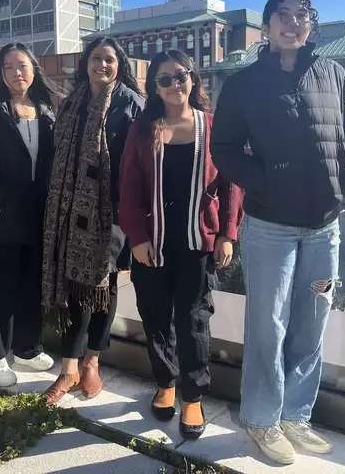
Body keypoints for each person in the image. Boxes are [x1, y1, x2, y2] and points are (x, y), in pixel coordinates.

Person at [211, 0, 345, 465]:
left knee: (312, 320)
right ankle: (261, 419)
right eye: (283, 16)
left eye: (302, 16)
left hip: (325, 228)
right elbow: (224, 147)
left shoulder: (333, 73)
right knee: (268, 323)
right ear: (267, 26)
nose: (293, 23)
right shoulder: (243, 84)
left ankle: (295, 415)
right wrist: (266, 181)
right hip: (269, 228)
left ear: (311, 26)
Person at [119, 50, 243, 439]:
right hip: (152, 244)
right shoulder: (144, 130)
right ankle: (166, 384)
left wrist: (227, 234)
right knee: (155, 316)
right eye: (165, 79)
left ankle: (192, 397)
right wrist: (136, 238)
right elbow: (129, 187)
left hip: (197, 241)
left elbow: (232, 184)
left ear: (193, 80)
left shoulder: (213, 127)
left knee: (193, 320)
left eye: (181, 76)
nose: (175, 84)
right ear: (153, 87)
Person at [41, 37, 144, 404]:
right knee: (77, 287)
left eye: (110, 60)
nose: (103, 65)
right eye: (97, 58)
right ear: (86, 63)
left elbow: (140, 163)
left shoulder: (131, 104)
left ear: (120, 65)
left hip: (112, 213)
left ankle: (91, 362)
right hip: (69, 211)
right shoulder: (72, 104)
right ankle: (69, 367)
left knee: (103, 286)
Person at [0, 43, 57, 387]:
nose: (17, 73)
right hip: (2, 214)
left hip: (38, 213)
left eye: (23, 66)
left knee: (31, 284)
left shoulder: (46, 110)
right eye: (9, 68)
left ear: (34, 69)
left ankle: (27, 348)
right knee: (0, 287)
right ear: (1, 75)